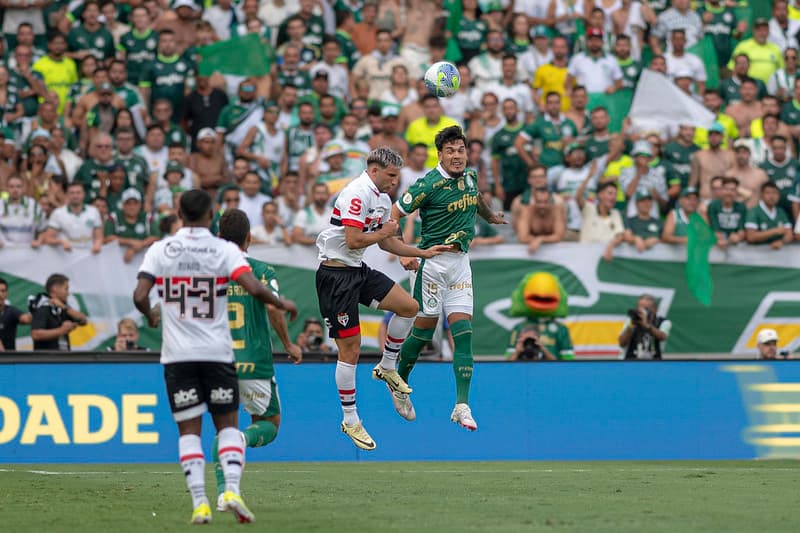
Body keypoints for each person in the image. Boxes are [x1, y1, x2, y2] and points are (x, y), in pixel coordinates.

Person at [133, 189, 298, 524]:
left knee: (190, 432)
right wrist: (282, 304)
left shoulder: (160, 250)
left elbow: (139, 295)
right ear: (209, 217)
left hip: (178, 356)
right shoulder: (223, 251)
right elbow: (255, 289)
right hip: (219, 353)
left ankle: (199, 502)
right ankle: (231, 490)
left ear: (179, 213)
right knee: (229, 429)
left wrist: (151, 314)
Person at [314, 147, 451, 451]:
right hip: (335, 277)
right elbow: (353, 240)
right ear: (374, 171)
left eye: (396, 177)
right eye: (391, 176)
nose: (394, 182)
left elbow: (388, 241)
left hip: (356, 270)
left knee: (409, 307)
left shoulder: (382, 197)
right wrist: (384, 232)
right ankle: (350, 419)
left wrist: (420, 252)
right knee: (350, 349)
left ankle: (387, 367)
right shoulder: (356, 193)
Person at [387, 126, 506, 433]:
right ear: (440, 155)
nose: (457, 156)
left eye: (461, 150)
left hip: (460, 264)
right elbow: (394, 214)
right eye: (450, 151)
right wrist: (403, 252)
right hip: (433, 264)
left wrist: (490, 216)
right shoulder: (428, 184)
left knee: (463, 331)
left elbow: (475, 198)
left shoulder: (470, 176)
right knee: (424, 332)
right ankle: (399, 382)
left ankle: (462, 405)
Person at [212, 208, 302, 512]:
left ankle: (224, 492)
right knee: (268, 424)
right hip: (253, 361)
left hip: (215, 362)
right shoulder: (261, 271)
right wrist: (289, 344)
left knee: (222, 428)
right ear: (249, 238)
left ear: (220, 238)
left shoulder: (208, 272)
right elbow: (275, 309)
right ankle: (242, 439)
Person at [30, 273, 88, 352]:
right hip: (47, 360)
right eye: (66, 289)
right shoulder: (42, 307)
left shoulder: (63, 308)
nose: (68, 293)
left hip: (64, 358)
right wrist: (61, 331)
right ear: (55, 289)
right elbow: (36, 334)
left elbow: (83, 320)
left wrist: (64, 307)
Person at [40, 182, 103, 253]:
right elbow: (48, 238)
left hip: (88, 256)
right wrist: (60, 242)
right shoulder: (58, 213)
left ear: (84, 194)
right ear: (67, 195)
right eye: (72, 193)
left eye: (78, 193)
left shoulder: (93, 211)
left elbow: (98, 237)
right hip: (66, 257)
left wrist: (97, 244)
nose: (75, 196)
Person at [618, 294, 671, 359]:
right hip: (630, 361)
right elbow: (622, 343)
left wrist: (646, 326)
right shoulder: (631, 321)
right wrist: (631, 326)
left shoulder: (663, 322)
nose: (642, 310)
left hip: (654, 362)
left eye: (646, 308)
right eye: (640, 307)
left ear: (655, 309)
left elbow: (662, 337)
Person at [745, 181, 793, 249]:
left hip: (777, 252)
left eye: (774, 193)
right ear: (761, 195)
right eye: (768, 193)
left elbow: (789, 234)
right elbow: (751, 237)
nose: (771, 196)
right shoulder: (754, 211)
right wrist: (775, 231)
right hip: (757, 251)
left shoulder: (780, 211)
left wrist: (781, 242)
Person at [707, 177, 747, 249]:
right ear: (722, 190)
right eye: (726, 189)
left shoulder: (741, 207)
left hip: (737, 245)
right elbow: (714, 228)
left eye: (732, 190)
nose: (729, 192)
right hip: (718, 243)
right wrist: (720, 239)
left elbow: (742, 230)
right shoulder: (713, 206)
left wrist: (738, 237)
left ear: (736, 192)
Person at [0, 277, 32, 351]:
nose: (0, 294)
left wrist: (32, 311)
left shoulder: (11, 311)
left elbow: (27, 319)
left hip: (9, 359)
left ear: (6, 293)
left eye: (3, 291)